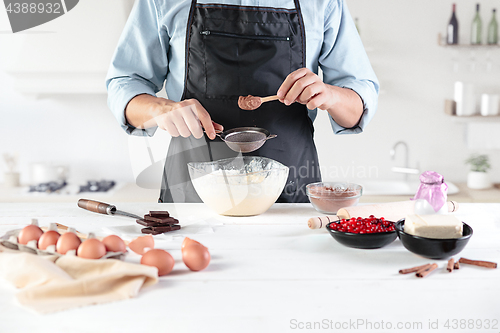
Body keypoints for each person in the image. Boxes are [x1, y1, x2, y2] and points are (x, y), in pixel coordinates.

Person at [106, 0, 379, 203]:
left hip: (289, 192)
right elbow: (124, 83)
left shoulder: (321, 3)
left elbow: (356, 105)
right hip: (194, 196)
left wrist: (331, 95)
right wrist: (158, 108)